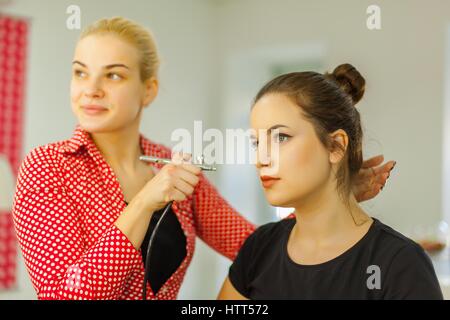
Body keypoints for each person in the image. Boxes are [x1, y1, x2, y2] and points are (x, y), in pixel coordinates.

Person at [12, 17, 394, 300]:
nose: (90, 89)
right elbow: (68, 296)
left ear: (148, 89)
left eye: (113, 76)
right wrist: (144, 203)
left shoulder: (173, 169)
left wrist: (333, 194)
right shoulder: (47, 168)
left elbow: (257, 249)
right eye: (80, 73)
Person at [218, 64, 443, 300]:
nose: (260, 160)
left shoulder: (400, 264)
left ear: (335, 145)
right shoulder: (259, 248)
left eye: (281, 137)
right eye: (256, 143)